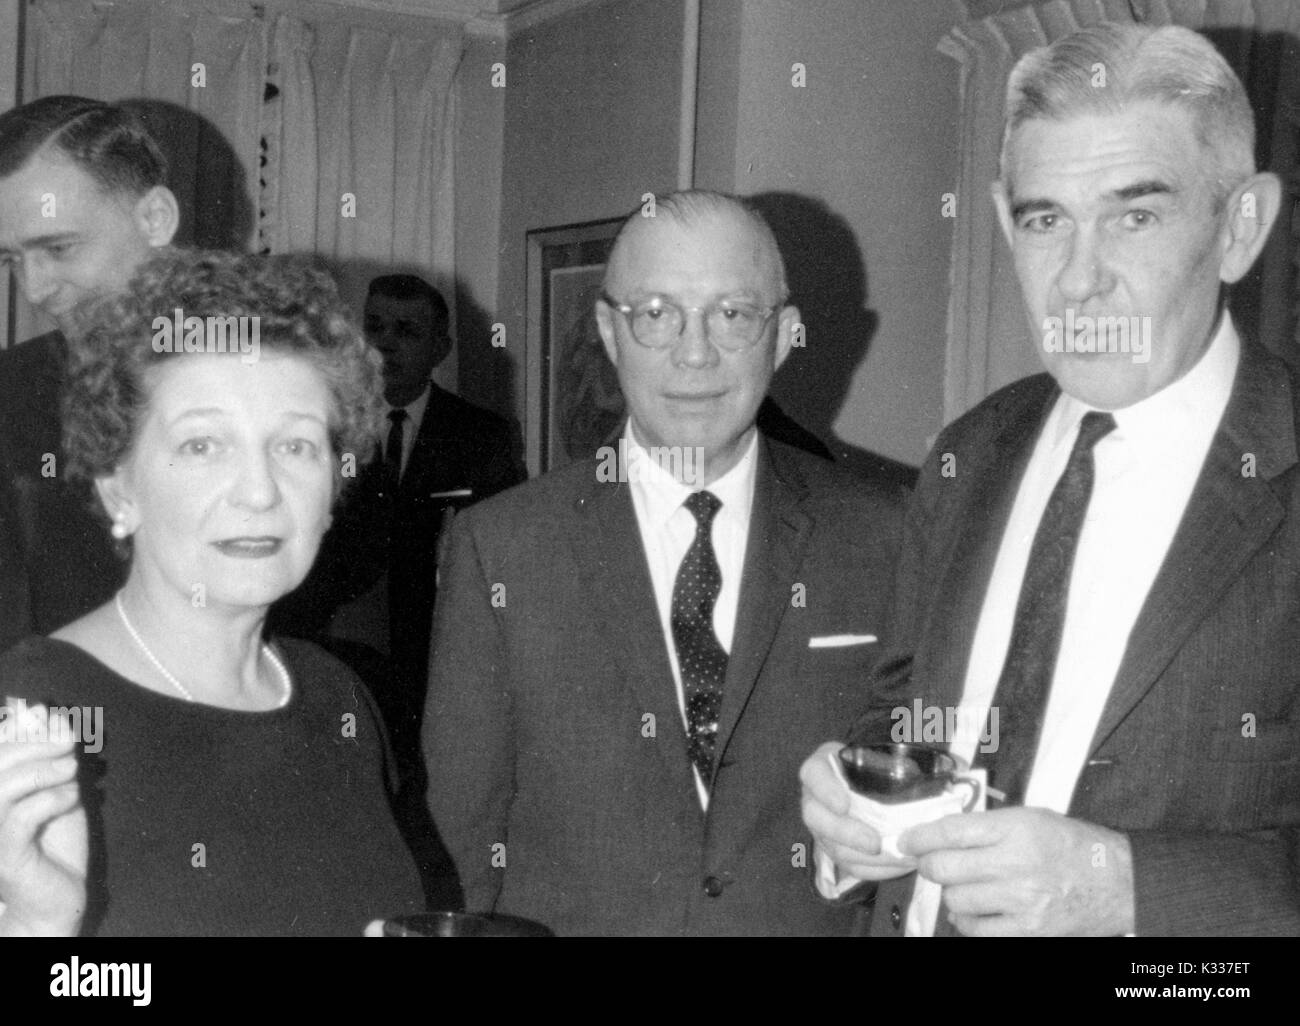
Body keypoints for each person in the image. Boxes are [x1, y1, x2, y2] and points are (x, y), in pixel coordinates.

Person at [800, 22, 1300, 937]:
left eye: (1135, 216)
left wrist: (1127, 890)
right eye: (1045, 220)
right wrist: (859, 802)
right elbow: (904, 708)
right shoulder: (972, 451)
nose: (1078, 280)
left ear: (1241, 228)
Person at [423, 189, 907, 935]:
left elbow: (910, 795)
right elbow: (463, 837)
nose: (694, 352)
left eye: (733, 314)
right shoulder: (501, 550)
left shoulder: (885, 535)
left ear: (783, 336)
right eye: (656, 313)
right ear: (609, 334)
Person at [0, 249, 425, 936]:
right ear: (118, 487)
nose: (259, 491)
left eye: (295, 446)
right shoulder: (30, 713)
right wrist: (34, 927)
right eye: (202, 445)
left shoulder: (338, 696)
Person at [0, 96, 180, 641]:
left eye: (58, 247)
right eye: (9, 260)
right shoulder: (10, 391)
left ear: (154, 218)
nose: (34, 290)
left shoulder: (282, 381)